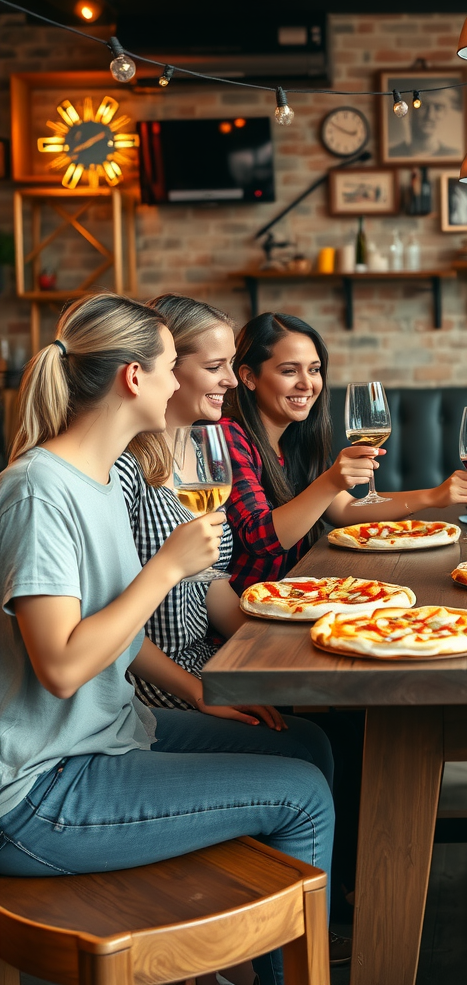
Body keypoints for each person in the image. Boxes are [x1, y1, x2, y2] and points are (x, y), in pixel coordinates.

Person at [0, 294, 336, 985]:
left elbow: (117, 634)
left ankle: (255, 950)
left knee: (303, 743)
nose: (181, 383)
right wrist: (163, 571)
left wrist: (199, 692)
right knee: (303, 791)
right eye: (168, 368)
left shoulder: (94, 479)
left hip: (111, 736)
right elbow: (62, 666)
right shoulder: (38, 489)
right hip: (40, 791)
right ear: (134, 378)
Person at [221, 311, 467, 593]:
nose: (307, 384)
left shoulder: (296, 437)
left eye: (314, 369)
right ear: (248, 377)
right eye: (289, 371)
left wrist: (436, 496)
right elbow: (261, 538)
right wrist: (330, 482)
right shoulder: (228, 435)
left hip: (298, 592)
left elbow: (343, 509)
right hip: (250, 610)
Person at [115, 295, 242, 708]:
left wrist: (274, 637)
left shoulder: (201, 451)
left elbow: (213, 580)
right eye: (213, 367)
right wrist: (201, 691)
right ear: (167, 368)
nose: (233, 380)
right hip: (148, 683)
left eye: (231, 363)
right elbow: (111, 619)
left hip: (203, 658)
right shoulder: (124, 465)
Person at [389, 85, 462, 158]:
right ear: (410, 111)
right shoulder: (393, 152)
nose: (430, 116)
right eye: (423, 106)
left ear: (446, 113)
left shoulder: (452, 154)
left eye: (438, 108)